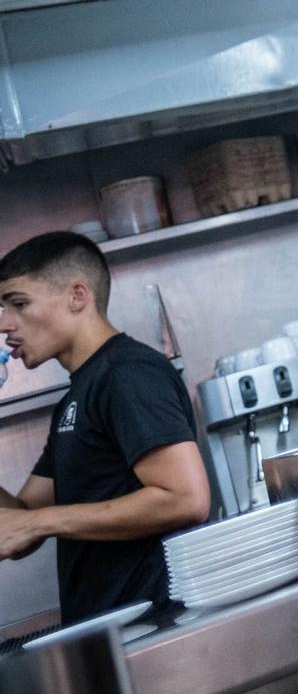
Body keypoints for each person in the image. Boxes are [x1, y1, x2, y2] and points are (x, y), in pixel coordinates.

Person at [0, 233, 209, 622]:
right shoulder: (77, 396)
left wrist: (37, 523)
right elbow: (20, 520)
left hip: (156, 629)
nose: (3, 324)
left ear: (78, 296)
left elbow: (186, 498)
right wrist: (31, 522)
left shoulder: (127, 374)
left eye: (18, 303)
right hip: (110, 632)